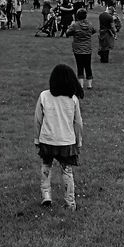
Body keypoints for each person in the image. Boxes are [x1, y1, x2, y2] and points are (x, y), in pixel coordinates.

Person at [35, 64, 84, 210]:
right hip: (66, 141)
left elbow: (37, 120)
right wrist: (78, 141)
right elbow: (78, 123)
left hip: (47, 140)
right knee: (67, 170)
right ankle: (70, 202)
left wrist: (36, 139)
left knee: (46, 166)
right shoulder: (73, 99)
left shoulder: (44, 96)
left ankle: (46, 196)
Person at [64, 8, 96, 92]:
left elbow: (67, 32)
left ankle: (81, 84)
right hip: (87, 48)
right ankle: (89, 84)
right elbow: (93, 31)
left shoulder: (75, 25)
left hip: (78, 48)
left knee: (80, 66)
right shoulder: (89, 24)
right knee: (88, 66)